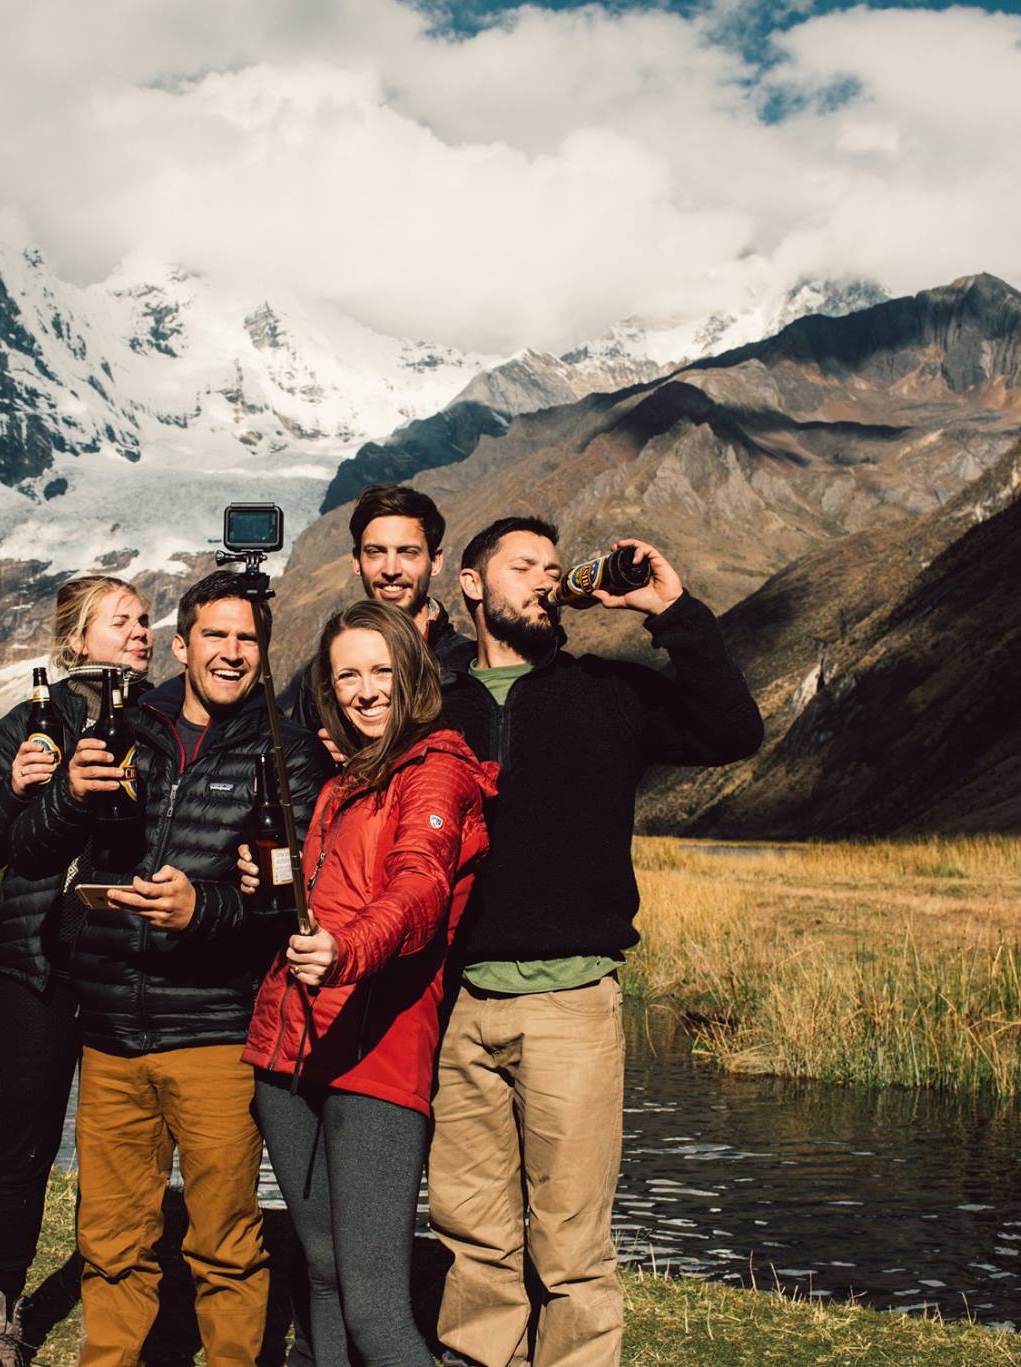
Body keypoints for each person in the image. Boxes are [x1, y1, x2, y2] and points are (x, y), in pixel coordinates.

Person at [428, 518, 763, 1367]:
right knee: (473, 1236)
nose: (544, 579)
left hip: (573, 1004)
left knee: (572, 1246)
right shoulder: (432, 703)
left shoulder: (610, 692)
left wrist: (670, 609)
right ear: (473, 585)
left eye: (552, 566)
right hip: (456, 1007)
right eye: (522, 565)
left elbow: (733, 732)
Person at [12, 570, 328, 1367]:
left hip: (215, 1033)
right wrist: (66, 797)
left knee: (224, 1242)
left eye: (247, 638)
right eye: (214, 635)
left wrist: (203, 908)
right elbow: (30, 851)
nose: (231, 652)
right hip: (111, 1031)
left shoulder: (284, 749)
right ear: (181, 645)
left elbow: (290, 899)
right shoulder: (127, 724)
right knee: (111, 1241)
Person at [238, 599, 496, 1367]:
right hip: (289, 1049)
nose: (366, 688)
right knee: (318, 1265)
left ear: (412, 675)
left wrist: (345, 949)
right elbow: (326, 895)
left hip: (376, 1055)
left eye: (381, 669)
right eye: (348, 673)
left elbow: (417, 890)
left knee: (377, 1310)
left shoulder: (435, 773)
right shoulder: (340, 782)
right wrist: (268, 881)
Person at [0, 575, 153, 1367]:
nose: (142, 631)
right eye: (123, 621)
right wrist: (15, 788)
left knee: (122, 1149)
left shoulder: (158, 724)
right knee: (27, 1143)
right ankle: (0, 1307)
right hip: (34, 968)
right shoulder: (30, 725)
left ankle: (128, 1291)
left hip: (125, 969)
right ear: (76, 641)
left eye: (144, 620)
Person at [281, 483, 477, 738]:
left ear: (435, 561)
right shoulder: (322, 672)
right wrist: (318, 758)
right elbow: (296, 767)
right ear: (356, 561)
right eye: (376, 552)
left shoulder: (466, 666)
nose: (391, 569)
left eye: (408, 552)